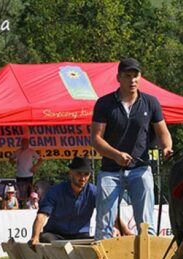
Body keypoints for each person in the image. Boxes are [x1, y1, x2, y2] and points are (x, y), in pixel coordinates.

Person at [91, 58, 173, 240]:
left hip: (141, 169)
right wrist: (116, 155)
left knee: (146, 225)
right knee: (104, 225)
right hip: (110, 171)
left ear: (140, 77)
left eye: (136, 76)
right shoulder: (104, 104)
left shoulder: (151, 102)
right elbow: (96, 139)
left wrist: (167, 147)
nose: (132, 80)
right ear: (118, 78)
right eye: (127, 76)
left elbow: (163, 132)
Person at [29, 156, 97, 246]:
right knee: (45, 238)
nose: (83, 178)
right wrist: (35, 237)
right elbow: (41, 215)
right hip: (56, 234)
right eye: (79, 173)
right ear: (70, 173)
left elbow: (106, 212)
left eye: (86, 174)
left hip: (81, 236)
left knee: (98, 242)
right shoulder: (56, 191)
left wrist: (116, 228)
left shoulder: (94, 191)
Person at [9, 138, 43, 203]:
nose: (24, 144)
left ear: (28, 144)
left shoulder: (31, 151)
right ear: (21, 144)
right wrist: (13, 162)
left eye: (26, 143)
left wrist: (35, 166)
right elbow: (10, 159)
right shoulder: (18, 151)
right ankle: (21, 204)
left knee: (29, 191)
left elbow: (40, 159)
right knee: (20, 191)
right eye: (23, 143)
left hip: (29, 174)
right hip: (19, 174)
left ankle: (29, 204)